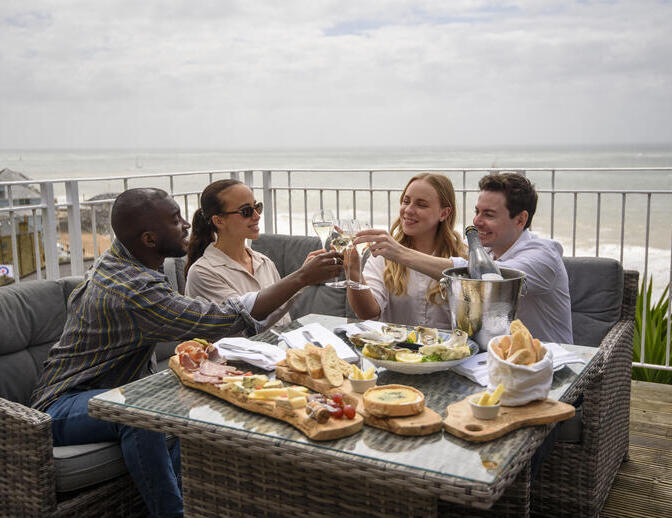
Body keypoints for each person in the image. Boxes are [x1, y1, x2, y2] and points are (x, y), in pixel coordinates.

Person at [30, 188, 341, 518]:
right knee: (140, 412)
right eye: (175, 220)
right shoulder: (131, 290)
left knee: (182, 398)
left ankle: (200, 498)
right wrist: (303, 278)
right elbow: (223, 318)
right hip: (60, 406)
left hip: (106, 391)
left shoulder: (126, 260)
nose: (187, 225)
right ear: (149, 238)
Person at [354, 172, 573, 344]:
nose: (476, 221)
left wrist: (398, 252)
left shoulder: (544, 255)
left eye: (488, 214)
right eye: (477, 211)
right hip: (497, 363)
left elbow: (490, 278)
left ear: (520, 219)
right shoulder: (483, 252)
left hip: (549, 368)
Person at [185, 179, 319, 330]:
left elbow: (282, 324)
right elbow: (246, 324)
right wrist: (302, 278)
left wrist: (303, 278)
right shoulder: (203, 272)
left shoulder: (264, 262)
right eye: (246, 211)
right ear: (219, 221)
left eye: (257, 207)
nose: (257, 216)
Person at [345, 173, 467, 329]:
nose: (408, 210)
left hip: (449, 352)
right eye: (406, 201)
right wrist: (353, 272)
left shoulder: (463, 256)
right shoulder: (383, 255)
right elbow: (367, 313)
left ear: (444, 213)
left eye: (421, 205)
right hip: (396, 350)